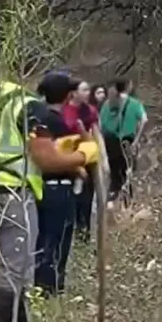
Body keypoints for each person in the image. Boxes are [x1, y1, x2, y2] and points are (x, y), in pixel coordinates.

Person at [0, 70, 100, 322]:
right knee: (15, 273)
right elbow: (46, 159)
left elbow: (15, 144)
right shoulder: (29, 106)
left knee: (20, 271)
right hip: (14, 193)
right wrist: (85, 154)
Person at [34, 72, 86, 298]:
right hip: (59, 187)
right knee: (57, 239)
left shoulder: (36, 116)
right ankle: (50, 288)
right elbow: (58, 157)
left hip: (39, 186)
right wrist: (81, 159)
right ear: (67, 96)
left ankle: (39, 284)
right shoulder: (56, 122)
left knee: (42, 237)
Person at [99, 78, 148, 209]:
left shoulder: (107, 104)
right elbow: (144, 120)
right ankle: (126, 205)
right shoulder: (135, 104)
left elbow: (100, 125)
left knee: (115, 174)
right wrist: (137, 139)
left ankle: (111, 202)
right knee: (128, 173)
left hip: (110, 142)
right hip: (128, 142)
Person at [64, 80, 99, 240]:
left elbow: (96, 134)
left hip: (86, 159)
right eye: (84, 90)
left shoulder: (90, 111)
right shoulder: (64, 110)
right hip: (66, 159)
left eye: (88, 90)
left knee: (85, 198)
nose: (87, 93)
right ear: (74, 92)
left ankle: (83, 231)